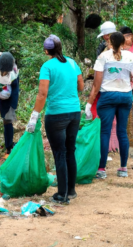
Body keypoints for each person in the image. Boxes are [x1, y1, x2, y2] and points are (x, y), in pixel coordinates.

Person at [27, 34, 84, 204]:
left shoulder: (47, 66)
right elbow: (80, 86)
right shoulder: (73, 63)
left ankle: (62, 194)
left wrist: (34, 115)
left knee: (60, 153)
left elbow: (42, 93)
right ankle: (71, 191)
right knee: (70, 151)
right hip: (74, 112)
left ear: (46, 50)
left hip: (56, 115)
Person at [85, 32, 133, 179]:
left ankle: (102, 169)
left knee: (105, 132)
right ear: (123, 43)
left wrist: (89, 103)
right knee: (122, 132)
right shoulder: (130, 56)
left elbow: (96, 84)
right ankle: (123, 168)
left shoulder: (103, 57)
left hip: (108, 96)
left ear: (110, 42)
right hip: (125, 96)